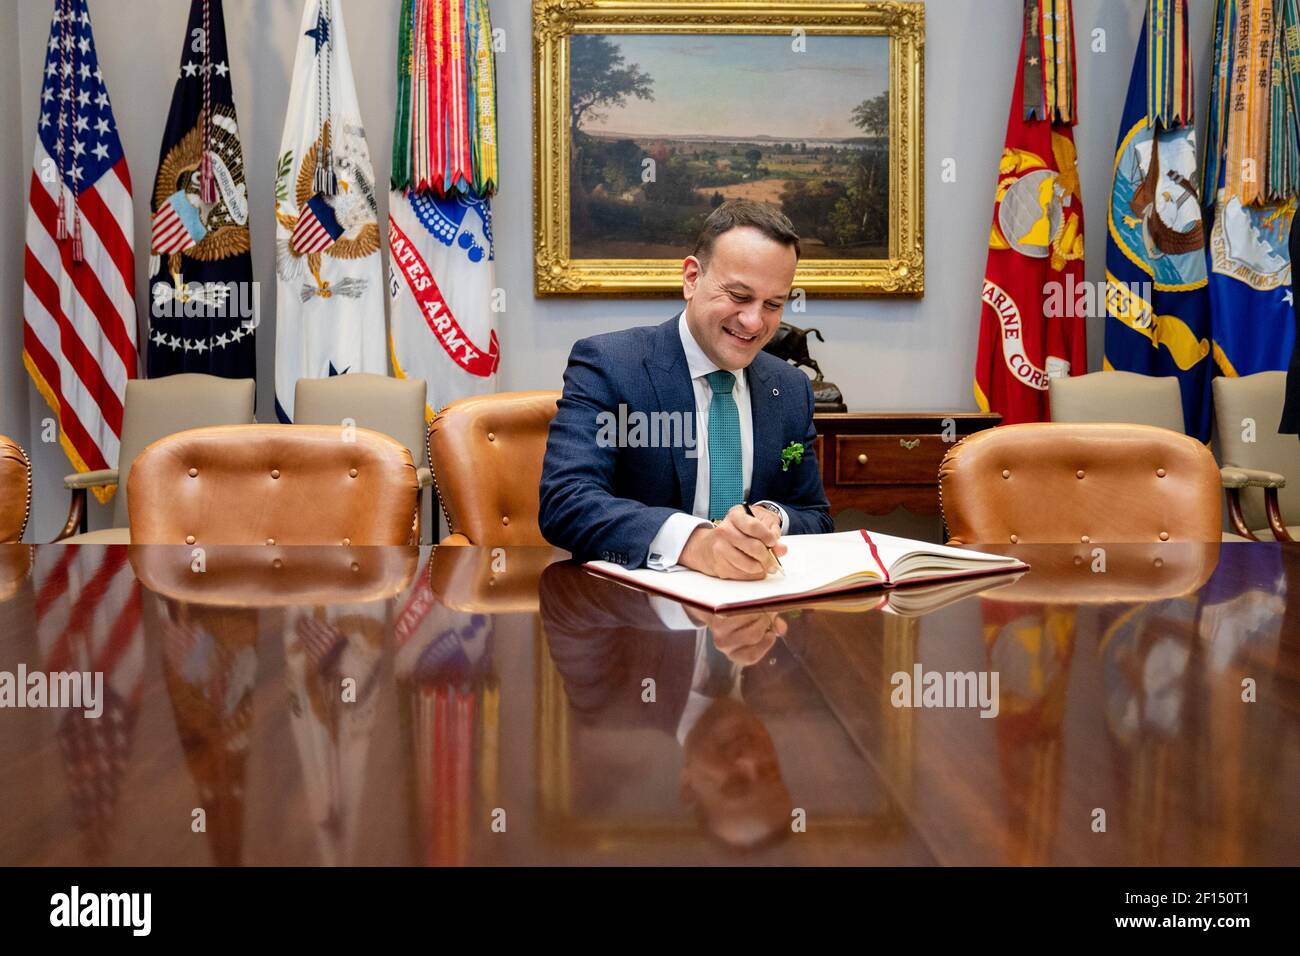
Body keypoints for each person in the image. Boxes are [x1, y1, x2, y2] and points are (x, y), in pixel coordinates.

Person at [539, 200, 833, 579]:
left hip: (757, 615)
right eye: (739, 296)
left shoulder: (790, 387)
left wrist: (770, 517)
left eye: (773, 304)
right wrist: (696, 543)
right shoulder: (610, 364)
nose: (753, 321)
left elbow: (817, 516)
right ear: (692, 278)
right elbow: (566, 504)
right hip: (637, 620)